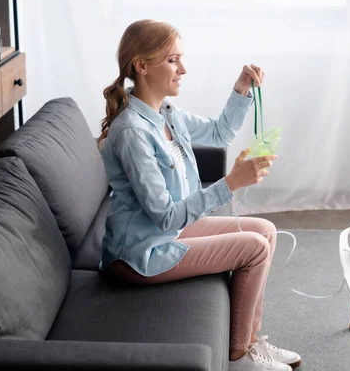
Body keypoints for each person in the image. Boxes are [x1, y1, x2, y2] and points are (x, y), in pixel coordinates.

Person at [98, 19, 302, 371]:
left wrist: (241, 90)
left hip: (166, 234)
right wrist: (230, 183)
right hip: (141, 254)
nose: (183, 69)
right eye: (173, 60)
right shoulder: (133, 132)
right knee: (253, 247)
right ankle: (240, 352)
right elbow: (164, 215)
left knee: (265, 230)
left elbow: (219, 133)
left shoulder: (165, 114)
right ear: (141, 66)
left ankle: (252, 342)